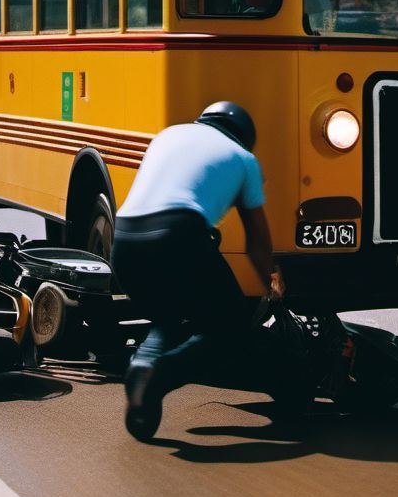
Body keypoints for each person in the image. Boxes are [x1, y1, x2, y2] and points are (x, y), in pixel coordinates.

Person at [110, 101, 299, 442]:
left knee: (166, 317)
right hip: (177, 236)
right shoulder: (244, 159)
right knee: (229, 329)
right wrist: (271, 281)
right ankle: (160, 375)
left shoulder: (168, 136)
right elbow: (258, 239)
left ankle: (141, 370)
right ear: (244, 136)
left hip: (124, 241)